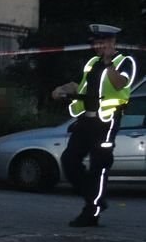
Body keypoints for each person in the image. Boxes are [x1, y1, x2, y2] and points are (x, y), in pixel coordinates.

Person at [52, 24, 137, 227]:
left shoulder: (125, 62)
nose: (98, 47)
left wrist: (108, 63)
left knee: (99, 166)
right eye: (95, 43)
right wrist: (61, 89)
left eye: (102, 42)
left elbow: (119, 84)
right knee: (69, 160)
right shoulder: (92, 62)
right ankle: (94, 197)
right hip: (85, 121)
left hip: (106, 122)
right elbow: (80, 86)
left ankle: (92, 212)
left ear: (112, 42)